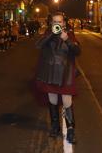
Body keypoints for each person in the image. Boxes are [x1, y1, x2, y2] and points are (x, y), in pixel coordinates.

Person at [35, 12, 81, 144]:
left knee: (67, 101)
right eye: (55, 22)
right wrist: (51, 35)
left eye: (60, 22)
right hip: (51, 73)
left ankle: (71, 130)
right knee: (53, 100)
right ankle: (55, 127)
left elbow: (78, 52)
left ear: (64, 23)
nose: (57, 24)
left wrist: (67, 39)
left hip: (65, 73)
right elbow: (38, 45)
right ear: (51, 23)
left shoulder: (69, 35)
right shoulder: (47, 34)